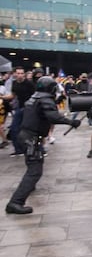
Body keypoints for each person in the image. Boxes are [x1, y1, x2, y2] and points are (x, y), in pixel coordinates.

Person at [4, 76, 81, 214]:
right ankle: (16, 202)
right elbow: (52, 116)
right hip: (32, 138)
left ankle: (28, 187)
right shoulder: (45, 99)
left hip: (26, 136)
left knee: (32, 166)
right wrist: (71, 122)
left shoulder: (34, 97)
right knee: (35, 171)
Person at [2, 66, 35, 156]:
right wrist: (2, 97)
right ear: (14, 74)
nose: (20, 75)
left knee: (30, 130)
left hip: (29, 108)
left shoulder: (29, 83)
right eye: (18, 73)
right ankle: (18, 149)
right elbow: (13, 95)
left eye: (21, 73)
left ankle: (37, 149)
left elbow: (35, 96)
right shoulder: (14, 83)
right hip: (20, 108)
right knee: (14, 129)